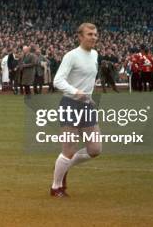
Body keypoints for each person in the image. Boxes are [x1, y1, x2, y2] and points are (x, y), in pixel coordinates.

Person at [50, 23, 101, 198]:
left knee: (95, 149)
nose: (94, 37)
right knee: (69, 150)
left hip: (87, 105)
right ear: (80, 36)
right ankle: (56, 187)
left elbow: (87, 80)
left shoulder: (95, 55)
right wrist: (75, 92)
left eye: (95, 34)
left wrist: (88, 96)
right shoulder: (71, 56)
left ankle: (64, 167)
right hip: (70, 105)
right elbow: (57, 81)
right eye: (90, 34)